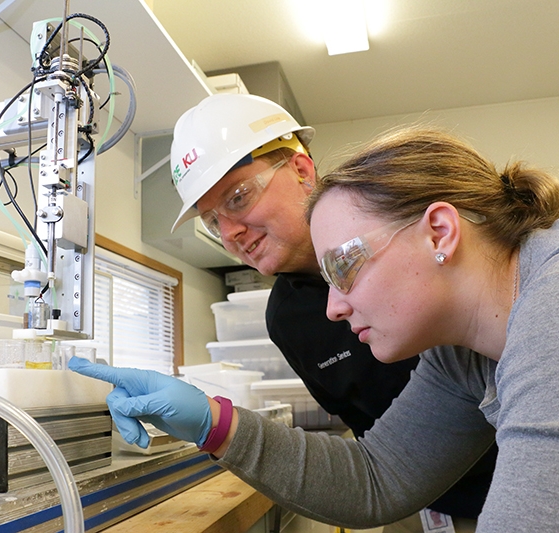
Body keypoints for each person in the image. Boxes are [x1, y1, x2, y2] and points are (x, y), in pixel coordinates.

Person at [69, 126, 559, 531]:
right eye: (215, 221)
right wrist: (213, 421)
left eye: (345, 266)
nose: (333, 309)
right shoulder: (462, 353)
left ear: (439, 232)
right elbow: (379, 476)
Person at [170, 93, 493, 529]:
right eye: (211, 222)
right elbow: (377, 466)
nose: (229, 233)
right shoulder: (287, 319)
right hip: (418, 494)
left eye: (238, 197)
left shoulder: (400, 221)